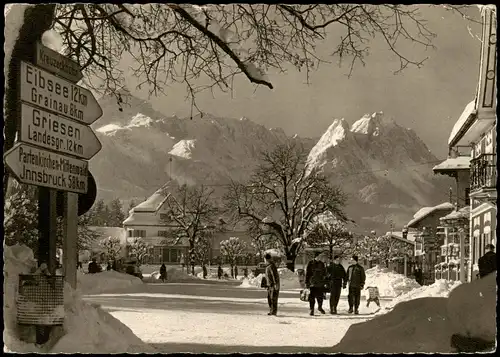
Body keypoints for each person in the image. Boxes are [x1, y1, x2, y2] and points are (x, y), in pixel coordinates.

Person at [306, 251, 327, 316]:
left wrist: (325, 281)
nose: (320, 257)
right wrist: (307, 282)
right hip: (312, 283)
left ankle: (320, 307)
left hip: (320, 283)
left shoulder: (322, 264)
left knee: (320, 296)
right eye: (319, 256)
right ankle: (311, 309)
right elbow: (308, 273)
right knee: (312, 297)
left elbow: (324, 273)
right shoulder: (311, 263)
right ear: (316, 256)